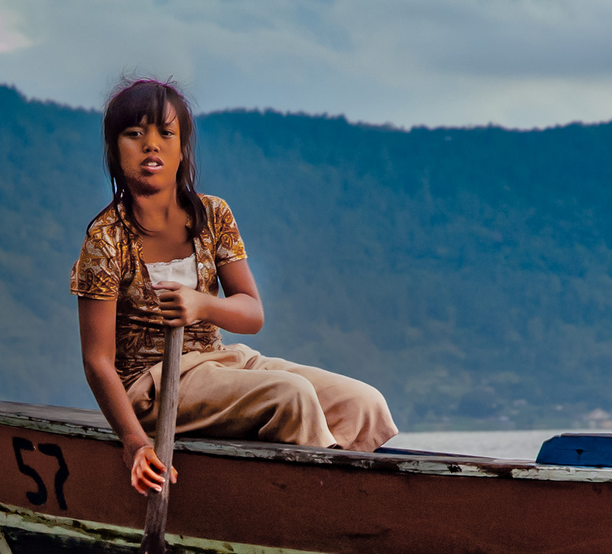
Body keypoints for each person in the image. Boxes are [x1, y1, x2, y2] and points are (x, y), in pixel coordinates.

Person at [71, 78, 397, 495]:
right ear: (116, 151)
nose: (151, 145)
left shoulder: (212, 214)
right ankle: (324, 503)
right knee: (290, 396)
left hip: (223, 361)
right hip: (153, 388)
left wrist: (201, 306)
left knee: (364, 403)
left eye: (165, 133)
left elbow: (251, 314)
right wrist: (134, 444)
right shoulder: (105, 240)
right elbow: (97, 362)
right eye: (135, 134)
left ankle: (344, 503)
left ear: (181, 147)